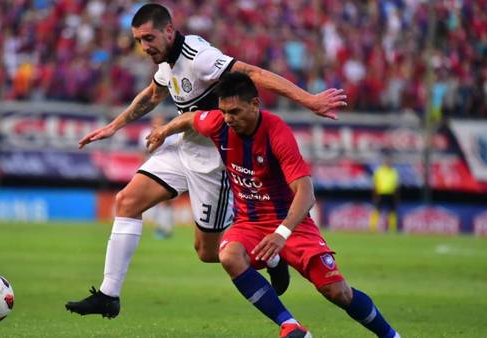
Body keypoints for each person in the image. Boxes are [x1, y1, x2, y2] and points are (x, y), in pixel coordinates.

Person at [66, 3, 347, 318]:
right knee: (127, 201)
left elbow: (252, 73)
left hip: (215, 160)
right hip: (184, 144)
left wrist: (308, 99)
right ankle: (109, 295)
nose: (145, 46)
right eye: (139, 40)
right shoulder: (166, 62)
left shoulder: (200, 58)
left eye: (149, 38)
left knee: (208, 252)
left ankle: (272, 259)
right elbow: (153, 94)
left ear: (169, 31)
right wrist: (114, 126)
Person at [146, 72, 400, 338]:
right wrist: (164, 130)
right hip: (249, 222)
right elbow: (190, 118)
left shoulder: (276, 132)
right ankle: (289, 325)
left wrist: (281, 233)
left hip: (292, 223)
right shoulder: (218, 123)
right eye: (224, 112)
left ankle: (391, 335)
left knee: (338, 292)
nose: (229, 119)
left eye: (235, 111)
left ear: (255, 104)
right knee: (229, 256)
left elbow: (306, 192)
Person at [138, 115, 177, 239]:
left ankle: (165, 228)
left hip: (167, 170)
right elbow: (143, 152)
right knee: (151, 201)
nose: (158, 123)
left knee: (166, 201)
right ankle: (161, 227)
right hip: (150, 169)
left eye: (160, 121)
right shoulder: (145, 133)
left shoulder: (171, 136)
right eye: (156, 121)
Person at [370, 155, 399, 233]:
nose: (388, 163)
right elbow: (375, 184)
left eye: (389, 162)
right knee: (377, 210)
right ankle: (373, 228)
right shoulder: (379, 171)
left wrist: (396, 196)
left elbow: (396, 185)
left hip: (391, 194)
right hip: (381, 193)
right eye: (387, 162)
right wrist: (375, 195)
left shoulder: (394, 172)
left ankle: (392, 229)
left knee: (392, 211)